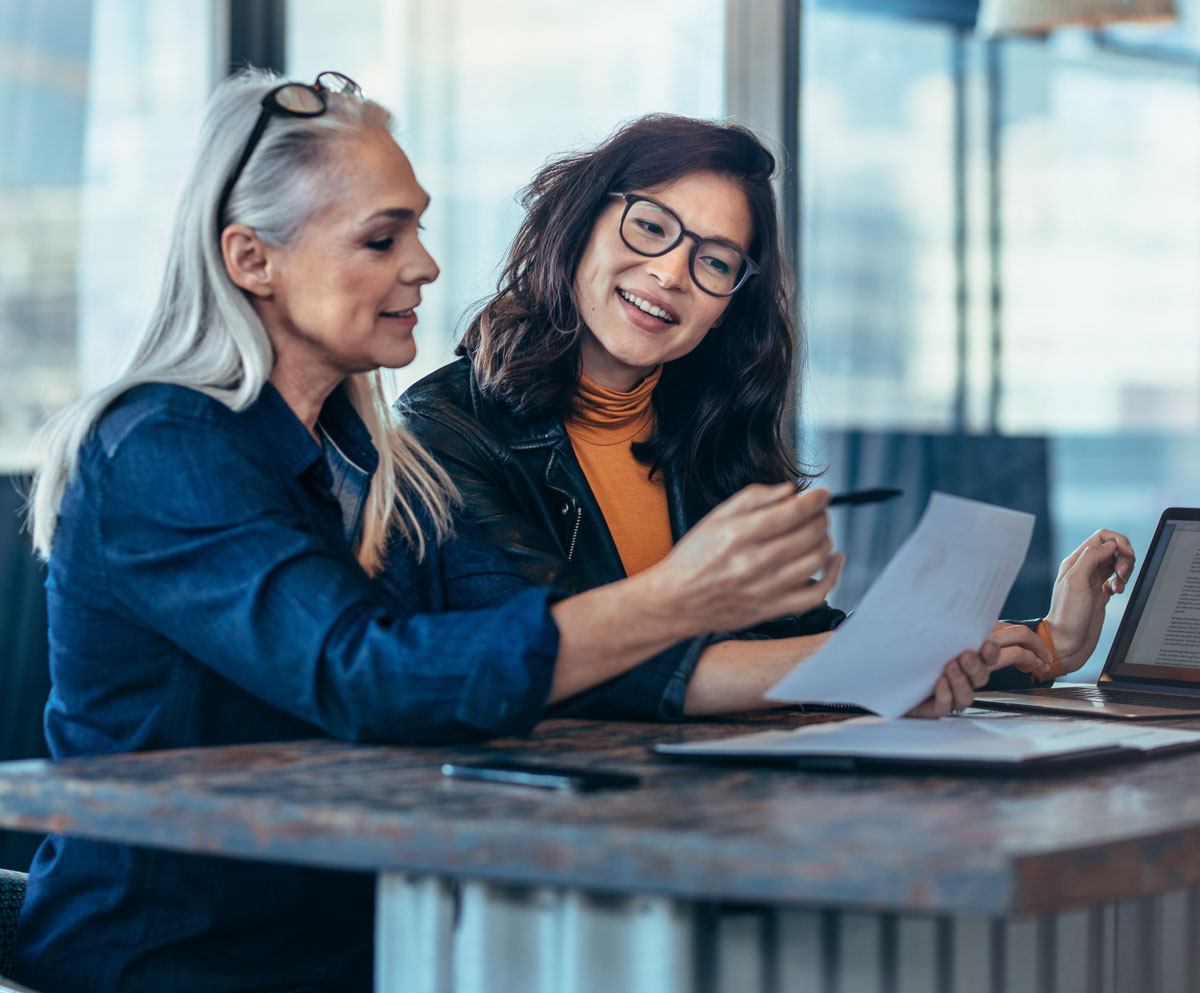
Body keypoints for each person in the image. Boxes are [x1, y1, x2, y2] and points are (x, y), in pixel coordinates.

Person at [7, 73, 881, 993]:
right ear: (252, 260)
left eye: (417, 230)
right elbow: (364, 675)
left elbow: (547, 645)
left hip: (351, 961)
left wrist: (891, 664)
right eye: (382, 240)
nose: (424, 265)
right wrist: (680, 595)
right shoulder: (162, 448)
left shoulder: (380, 467)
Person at [400, 114, 1135, 706]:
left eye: (715, 261)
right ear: (580, 224)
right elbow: (565, 660)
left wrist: (1046, 644)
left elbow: (795, 640)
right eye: (651, 227)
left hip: (721, 807)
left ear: (728, 307)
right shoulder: (443, 430)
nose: (670, 273)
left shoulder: (710, 431)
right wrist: (871, 663)